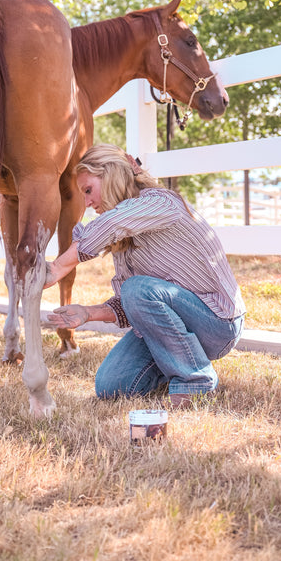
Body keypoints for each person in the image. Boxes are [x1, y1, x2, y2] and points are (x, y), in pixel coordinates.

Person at [44, 144, 245, 408]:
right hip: (179, 325)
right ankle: (176, 362)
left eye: (89, 190)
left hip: (217, 323)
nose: (88, 203)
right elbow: (134, 304)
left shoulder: (160, 202)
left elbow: (114, 230)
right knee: (111, 386)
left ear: (112, 174)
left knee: (137, 289)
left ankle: (194, 381)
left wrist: (57, 268)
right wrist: (88, 313)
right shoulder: (123, 236)